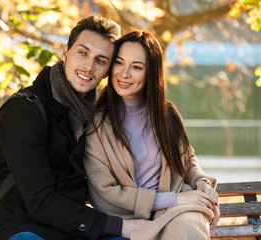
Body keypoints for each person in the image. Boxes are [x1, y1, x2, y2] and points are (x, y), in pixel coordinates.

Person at [0, 16, 146, 240]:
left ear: (108, 71)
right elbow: (39, 202)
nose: (89, 66)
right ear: (65, 53)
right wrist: (119, 226)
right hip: (20, 229)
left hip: (68, 230)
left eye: (101, 60)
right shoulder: (23, 112)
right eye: (83, 52)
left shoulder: (91, 115)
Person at [83, 30, 220, 240]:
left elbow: (187, 161)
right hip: (128, 219)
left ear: (151, 72)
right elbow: (105, 194)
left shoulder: (166, 115)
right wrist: (175, 199)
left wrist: (202, 184)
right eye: (119, 63)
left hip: (178, 213)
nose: (124, 73)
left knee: (185, 228)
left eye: (136, 67)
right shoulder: (95, 124)